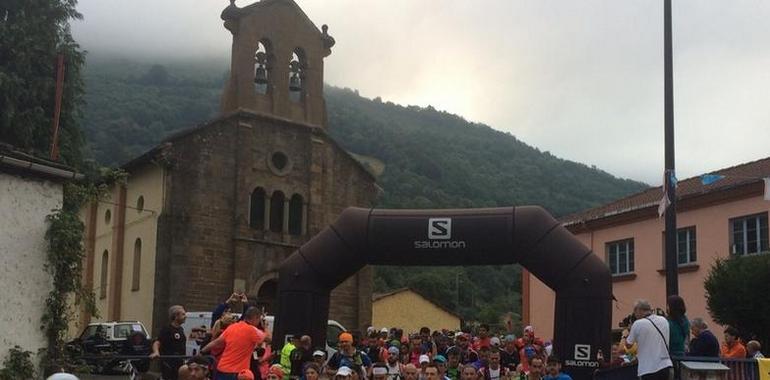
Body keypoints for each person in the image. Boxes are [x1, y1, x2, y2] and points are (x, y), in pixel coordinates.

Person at [202, 306, 267, 380]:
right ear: (256, 318)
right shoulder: (252, 330)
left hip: (221, 369)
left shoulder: (232, 327)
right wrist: (265, 326)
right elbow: (268, 338)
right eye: (259, 320)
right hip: (237, 372)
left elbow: (216, 342)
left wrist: (202, 351)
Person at [625, 299, 672, 380]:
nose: (635, 315)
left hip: (648, 368)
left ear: (639, 310)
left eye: (635, 311)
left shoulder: (638, 324)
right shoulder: (664, 320)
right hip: (665, 365)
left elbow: (628, 345)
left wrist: (625, 335)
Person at [151, 305, 188, 380]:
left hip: (179, 363)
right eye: (183, 314)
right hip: (169, 363)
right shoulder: (167, 329)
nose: (185, 316)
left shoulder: (181, 329)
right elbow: (157, 342)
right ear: (176, 316)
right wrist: (156, 352)